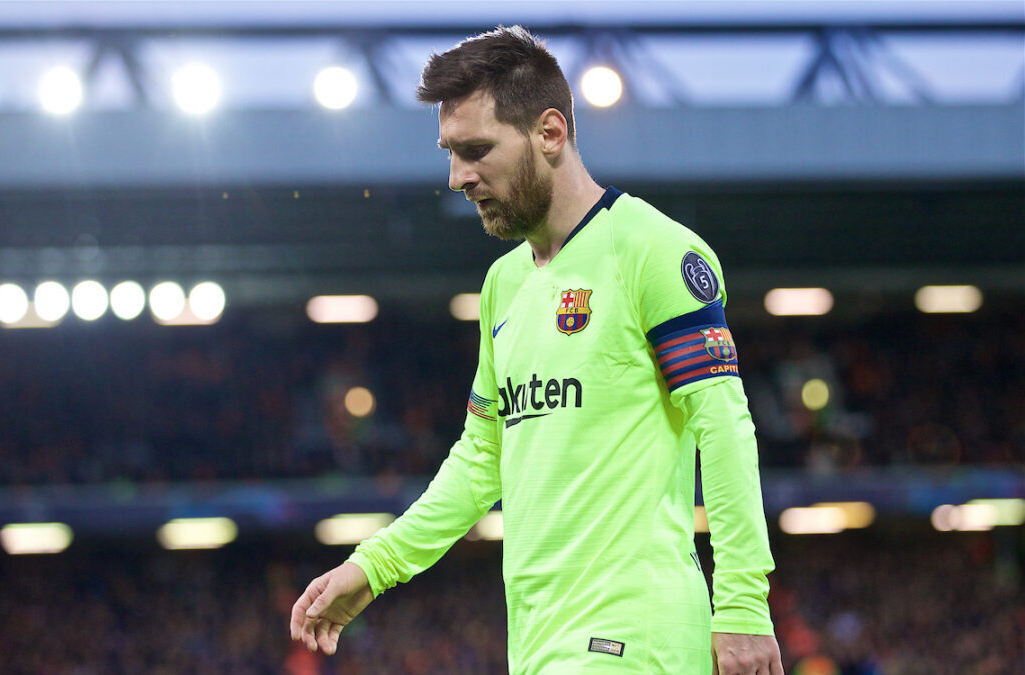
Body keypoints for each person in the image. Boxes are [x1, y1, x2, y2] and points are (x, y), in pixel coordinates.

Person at [291, 25, 783, 675]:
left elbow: (723, 425)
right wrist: (372, 565)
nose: (456, 177)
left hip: (634, 635)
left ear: (550, 133)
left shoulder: (654, 251)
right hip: (539, 641)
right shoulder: (504, 286)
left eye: (475, 150)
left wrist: (744, 603)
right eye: (448, 152)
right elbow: (480, 459)